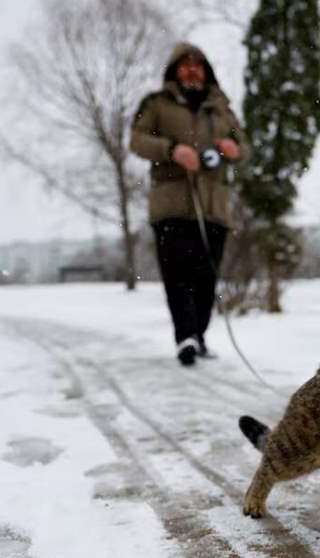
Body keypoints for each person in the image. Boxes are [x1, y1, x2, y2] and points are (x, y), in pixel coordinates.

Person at [130, 42, 251, 366]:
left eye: (198, 65)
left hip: (214, 206)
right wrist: (172, 150)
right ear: (174, 71)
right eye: (185, 65)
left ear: (206, 71)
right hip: (171, 204)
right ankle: (185, 336)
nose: (192, 70)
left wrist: (233, 149)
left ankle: (198, 334)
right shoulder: (156, 104)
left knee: (206, 277)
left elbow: (245, 147)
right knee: (177, 274)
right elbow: (137, 140)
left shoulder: (222, 110)